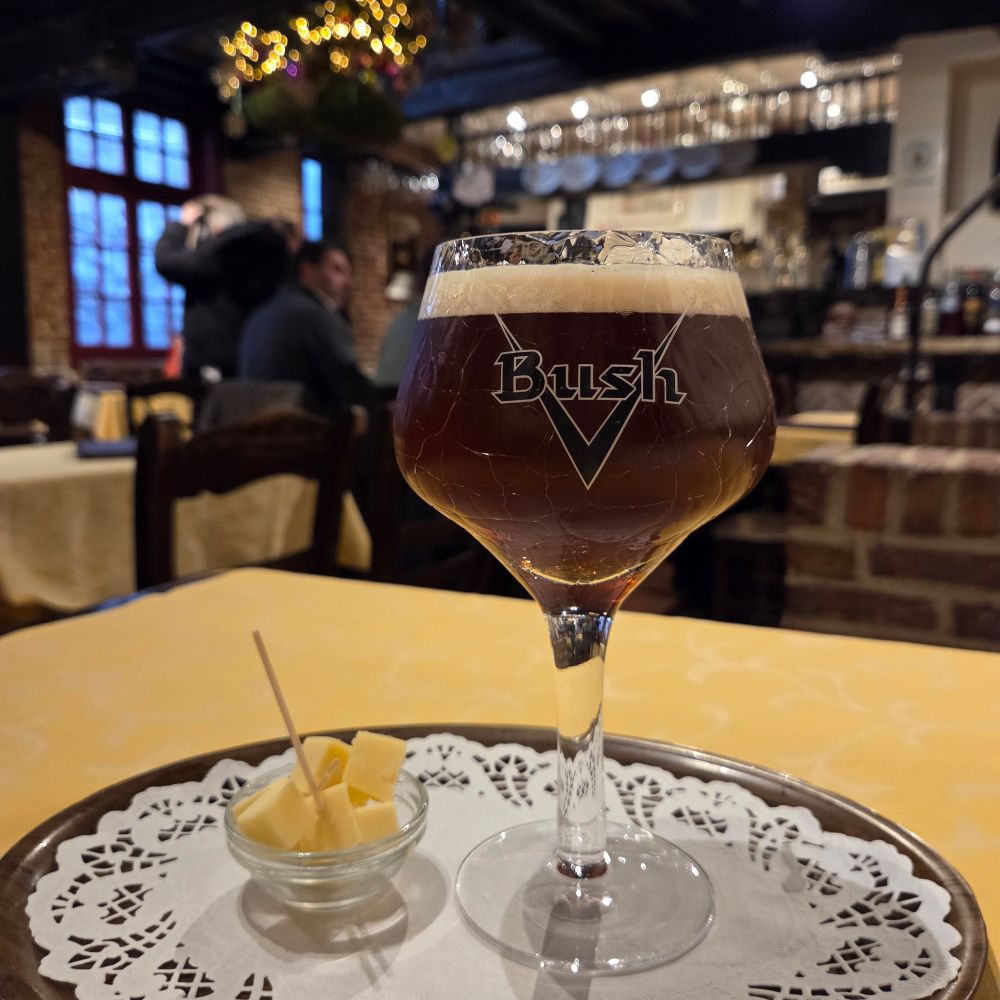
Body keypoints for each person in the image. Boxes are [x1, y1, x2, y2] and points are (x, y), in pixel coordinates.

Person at [155, 197, 290, 379]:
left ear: (213, 226)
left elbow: (167, 262)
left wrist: (182, 224)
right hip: (244, 356)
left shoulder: (227, 251)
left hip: (217, 362)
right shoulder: (257, 248)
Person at [239, 240, 370, 415]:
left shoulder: (257, 317)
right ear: (308, 270)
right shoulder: (318, 316)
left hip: (254, 435)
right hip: (307, 435)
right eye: (338, 270)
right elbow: (353, 387)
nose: (348, 283)